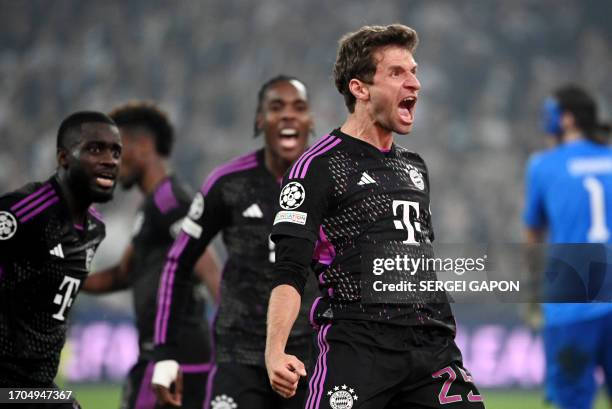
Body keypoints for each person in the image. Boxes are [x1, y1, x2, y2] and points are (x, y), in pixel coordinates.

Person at [265, 24, 484, 409]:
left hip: (431, 351)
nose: (414, 83)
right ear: (359, 88)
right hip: (359, 349)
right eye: (397, 73)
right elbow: (289, 269)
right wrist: (275, 350)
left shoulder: (415, 168)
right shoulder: (318, 167)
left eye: (414, 71)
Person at [151, 75, 317, 409]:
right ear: (260, 120)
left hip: (309, 357)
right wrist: (165, 353)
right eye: (276, 107)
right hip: (240, 356)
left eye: (298, 107)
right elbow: (178, 263)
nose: (288, 115)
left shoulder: (328, 181)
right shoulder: (228, 184)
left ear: (309, 121)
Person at [81, 102, 220, 409]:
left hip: (179, 355)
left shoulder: (169, 200)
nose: (111, 161)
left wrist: (238, 337)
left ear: (143, 146)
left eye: (117, 149)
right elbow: (122, 274)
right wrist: (62, 277)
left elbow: (206, 264)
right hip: (162, 352)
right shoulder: (151, 206)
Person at [0, 111, 121, 407]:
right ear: (64, 158)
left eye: (116, 151)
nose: (110, 159)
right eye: (95, 149)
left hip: (36, 385)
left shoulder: (95, 228)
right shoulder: (24, 212)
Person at [524, 85, 612, 409]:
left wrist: (534, 291)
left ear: (568, 119)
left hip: (571, 307)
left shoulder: (543, 165)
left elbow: (533, 233)